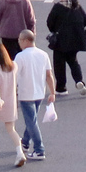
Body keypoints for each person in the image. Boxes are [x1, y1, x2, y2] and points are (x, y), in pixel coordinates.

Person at [14, 29, 54, 161]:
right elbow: (49, 75)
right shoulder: (43, 54)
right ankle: (25, 142)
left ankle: (39, 149)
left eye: (20, 40)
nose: (19, 42)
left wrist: (13, 92)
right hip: (39, 93)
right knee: (32, 119)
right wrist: (52, 92)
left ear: (26, 40)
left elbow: (14, 76)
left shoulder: (20, 56)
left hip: (26, 94)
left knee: (31, 122)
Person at [45, 0, 86, 97]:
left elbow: (49, 22)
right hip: (74, 41)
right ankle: (79, 80)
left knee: (59, 65)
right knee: (73, 62)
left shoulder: (58, 7)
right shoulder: (77, 6)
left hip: (60, 42)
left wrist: (54, 30)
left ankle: (61, 88)